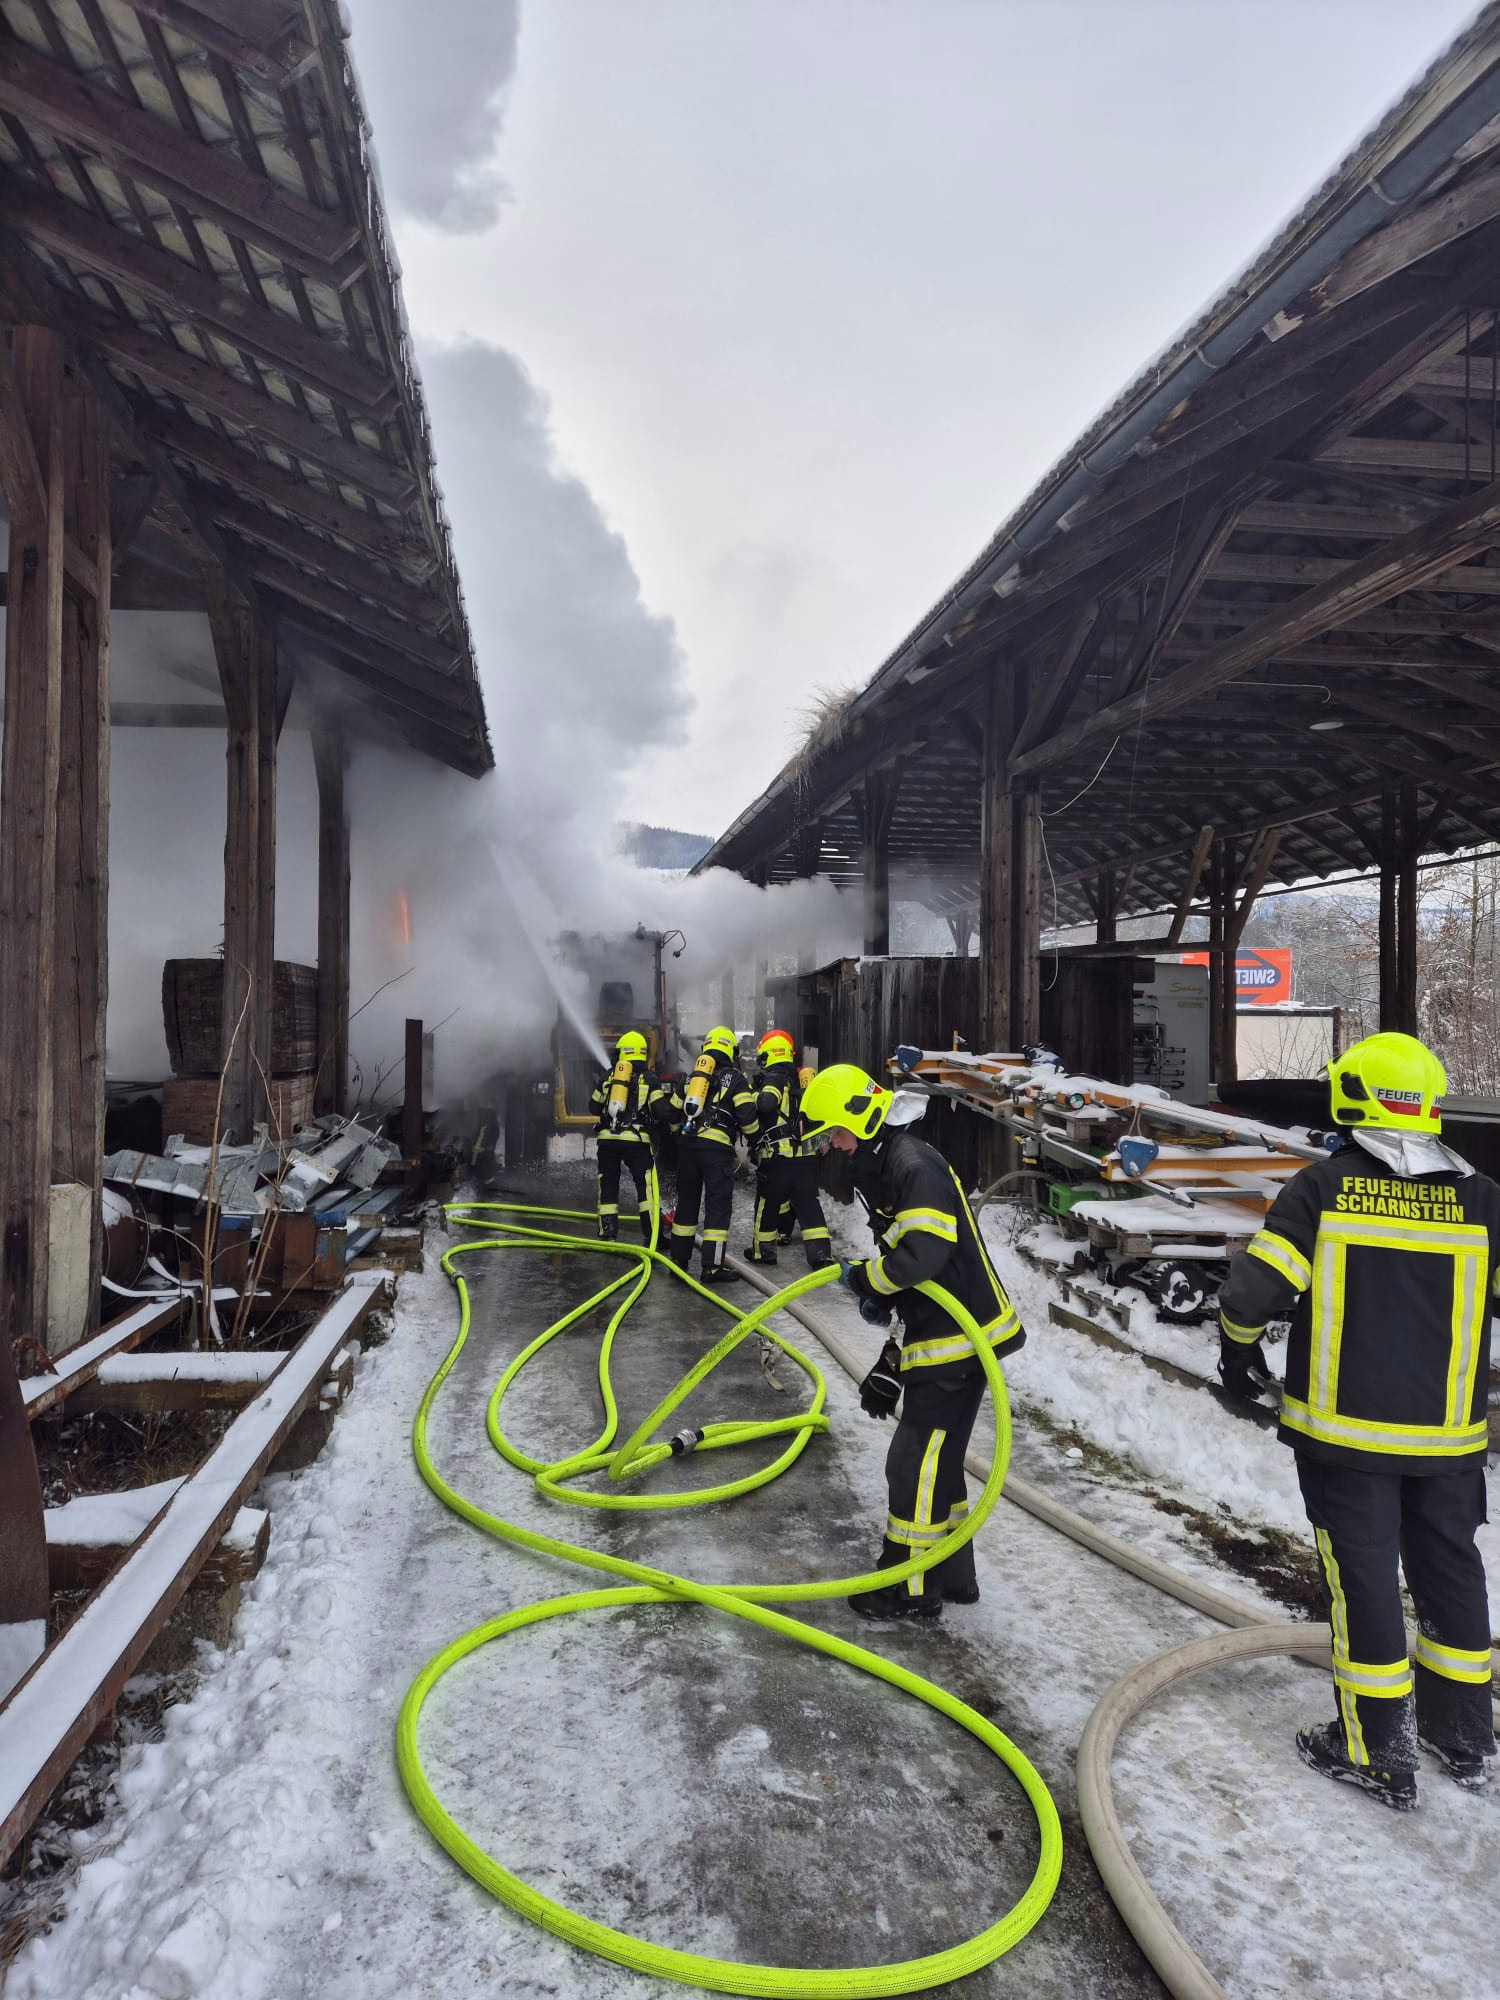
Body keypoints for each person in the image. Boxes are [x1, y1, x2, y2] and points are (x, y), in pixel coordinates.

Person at [1216, 1031, 1499, 1810]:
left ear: (1352, 1100)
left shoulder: (1322, 1188)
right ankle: (1463, 1737)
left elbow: (1252, 1295)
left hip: (1347, 1442)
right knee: (1452, 1572)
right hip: (1448, 1441)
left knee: (1366, 1582)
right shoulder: (1483, 1198)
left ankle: (1377, 1752)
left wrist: (1238, 1354)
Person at [798, 1062, 1025, 1620]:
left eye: (835, 1132)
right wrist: (890, 1357)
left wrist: (865, 1280)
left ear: (859, 1117)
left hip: (958, 1341)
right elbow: (918, 1280)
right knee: (938, 1464)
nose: (833, 1145)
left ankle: (911, 1587)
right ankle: (953, 1576)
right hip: (945, 1334)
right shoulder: (886, 1162)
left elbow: (920, 1257)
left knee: (912, 1464)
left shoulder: (912, 1166)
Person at [668, 1026, 758, 1284]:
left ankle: (678, 1262)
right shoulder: (736, 1078)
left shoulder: (691, 1078)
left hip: (688, 1149)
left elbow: (672, 1113)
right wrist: (755, 1140)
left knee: (686, 1205)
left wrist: (679, 1135)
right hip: (717, 1153)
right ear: (731, 1051)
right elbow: (747, 1118)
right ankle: (712, 1267)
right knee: (717, 1207)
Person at [743, 1029, 832, 1269]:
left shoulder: (774, 1077)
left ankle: (763, 1252)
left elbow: (766, 1103)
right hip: (807, 1159)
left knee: (767, 1205)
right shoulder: (803, 1079)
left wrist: (751, 1095)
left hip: (777, 1159)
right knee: (809, 1205)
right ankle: (821, 1255)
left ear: (769, 1054)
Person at [588, 1030, 677, 1244]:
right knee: (646, 1189)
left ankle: (607, 1232)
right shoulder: (650, 1079)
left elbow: (593, 1107)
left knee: (608, 1185)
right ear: (643, 1054)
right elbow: (660, 1111)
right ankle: (653, 1235)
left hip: (608, 1140)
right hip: (636, 1142)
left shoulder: (608, 1077)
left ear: (621, 1053)